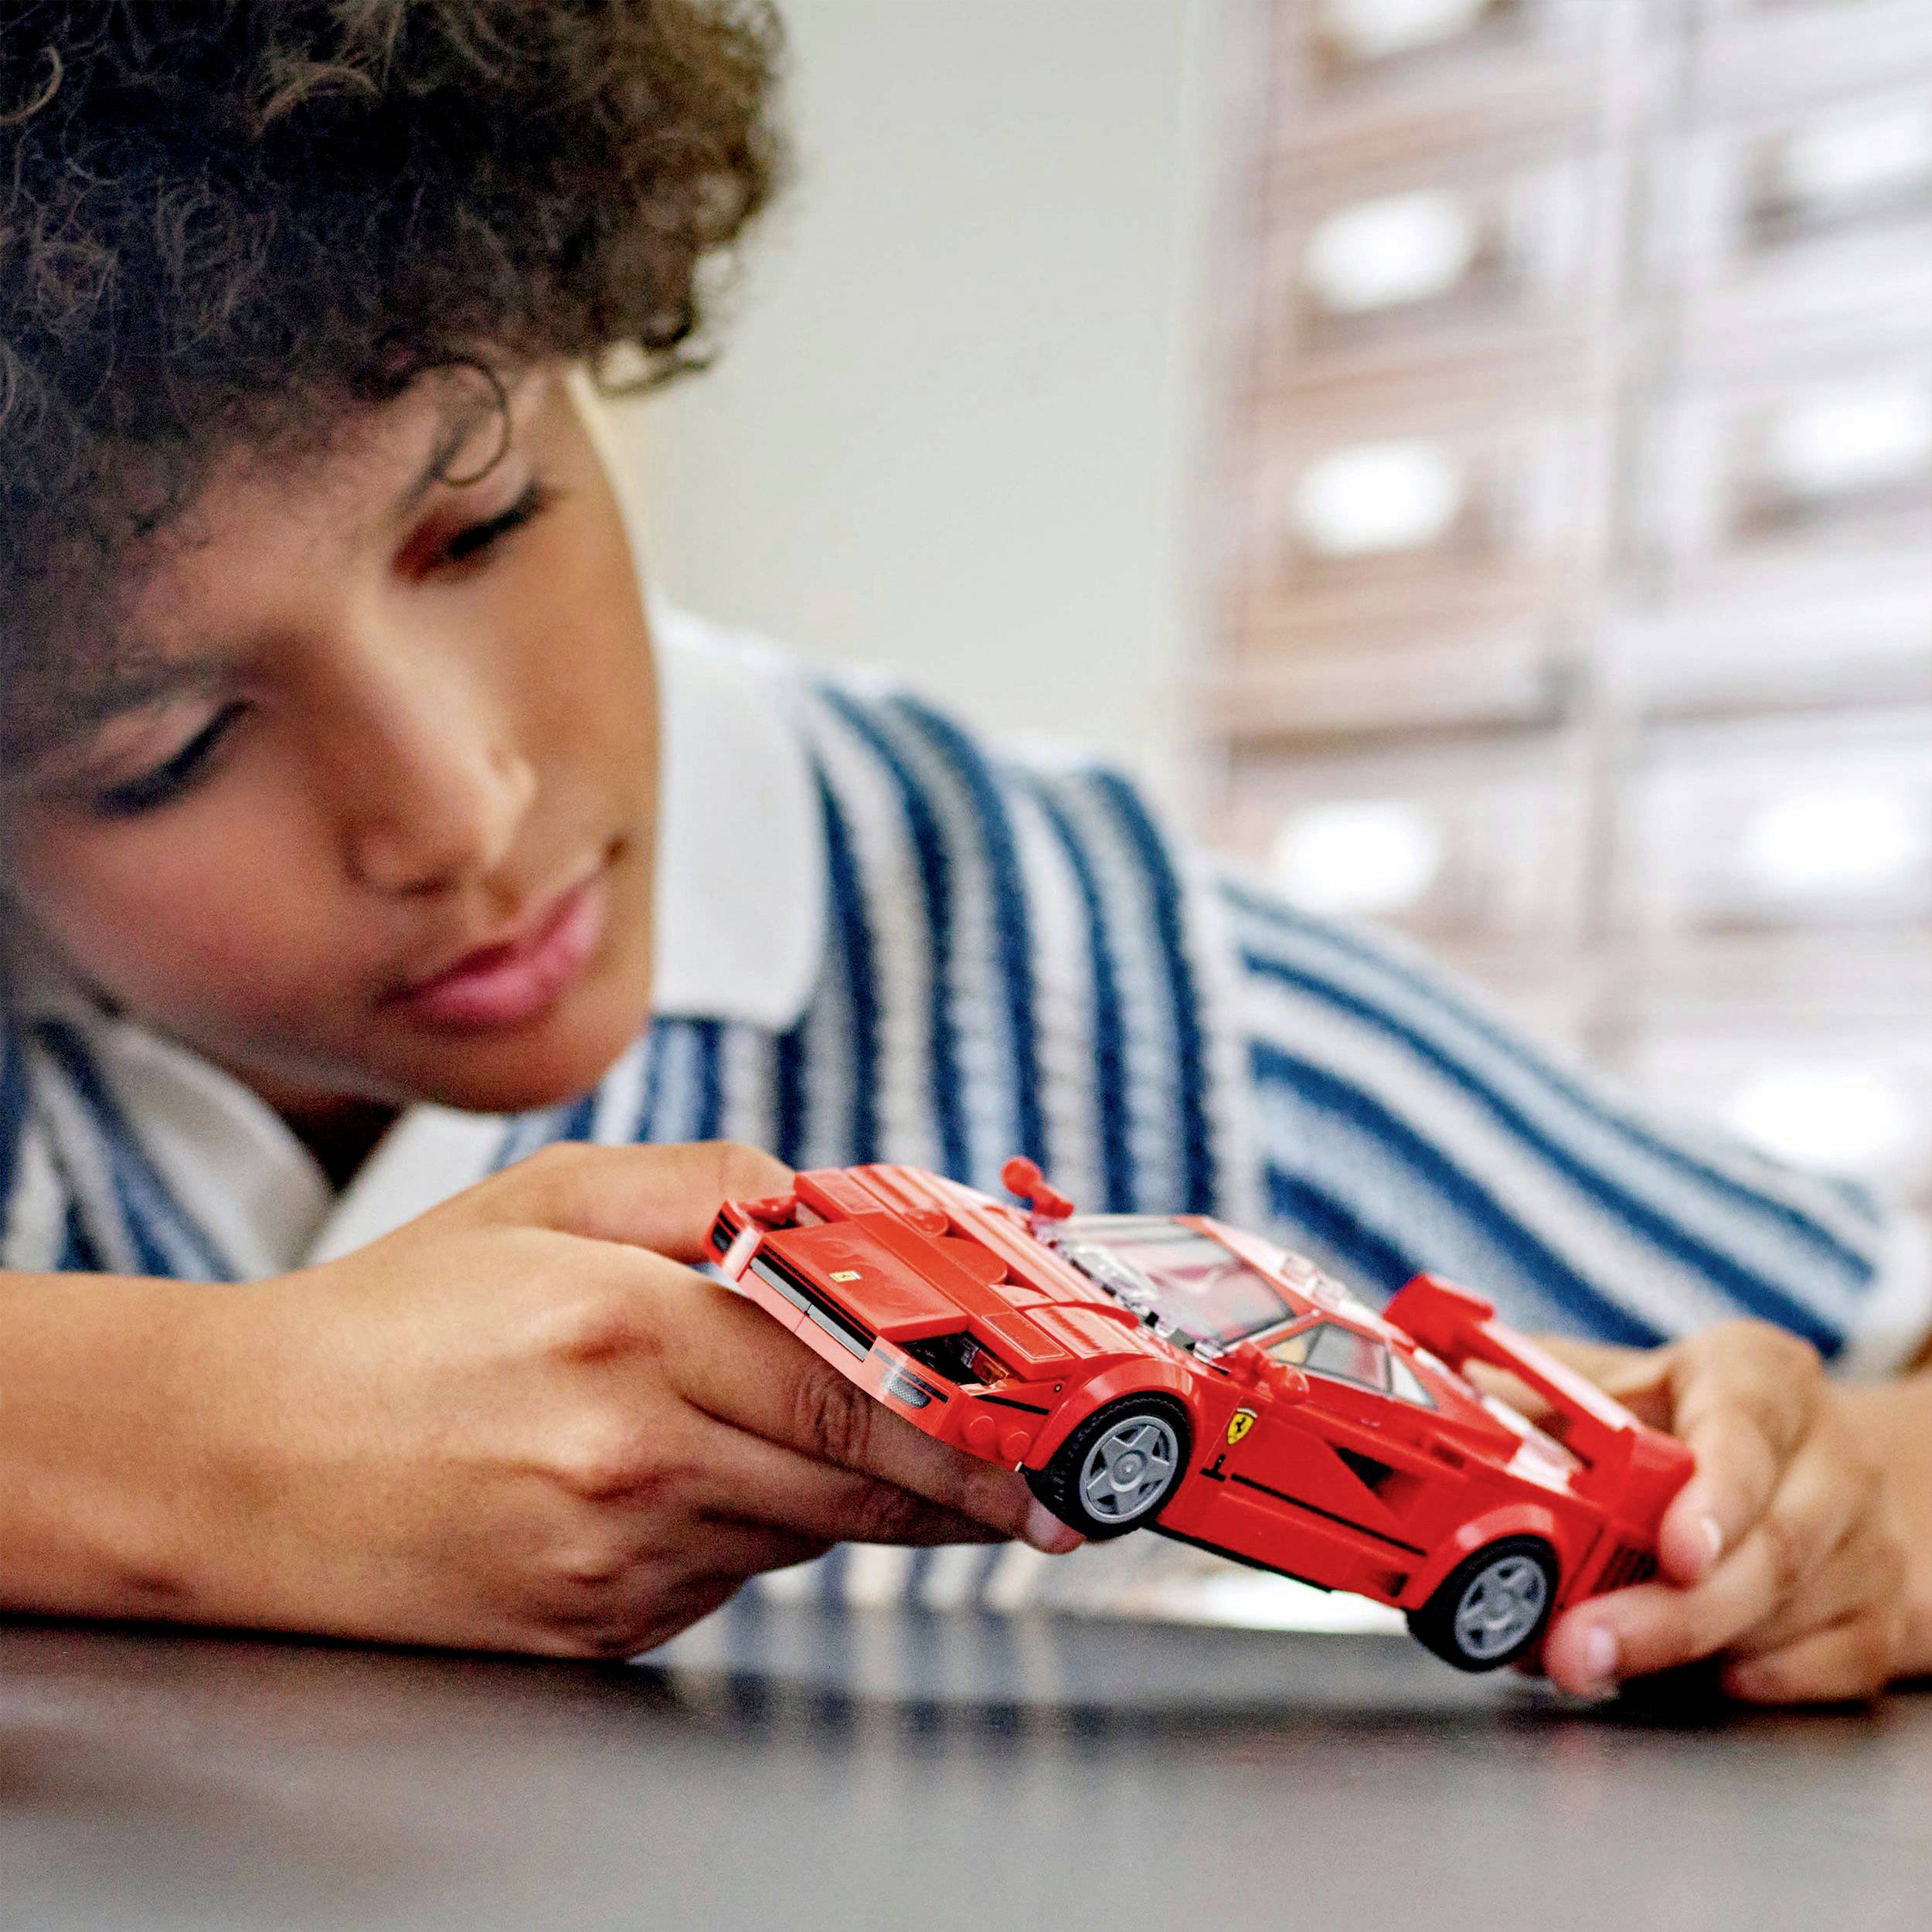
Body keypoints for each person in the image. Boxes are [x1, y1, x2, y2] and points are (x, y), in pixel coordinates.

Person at [0, 0, 1923, 1703]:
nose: (460, 807)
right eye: (160, 745)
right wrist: (191, 1441)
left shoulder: (1092, 977)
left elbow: (1879, 1384)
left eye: (484, 521)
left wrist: (1854, 1513)